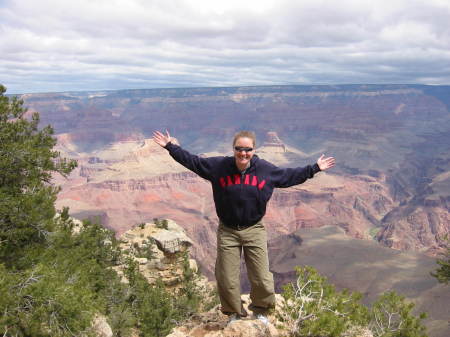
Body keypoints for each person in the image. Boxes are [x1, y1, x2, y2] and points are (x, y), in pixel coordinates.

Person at [152, 130, 335, 324]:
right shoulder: (219, 166)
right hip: (228, 230)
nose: (243, 153)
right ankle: (234, 313)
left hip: (254, 229)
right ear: (234, 149)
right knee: (226, 276)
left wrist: (315, 168)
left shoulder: (265, 170)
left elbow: (290, 176)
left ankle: (261, 310)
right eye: (239, 149)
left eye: (247, 150)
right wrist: (170, 147)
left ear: (254, 150)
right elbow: (193, 162)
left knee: (261, 276)